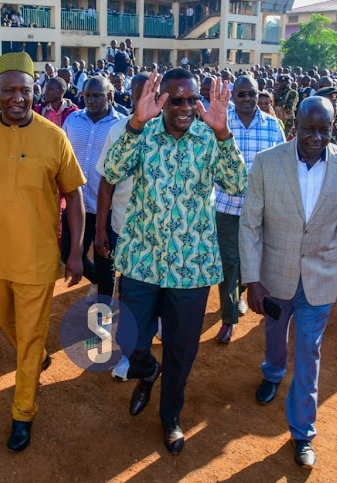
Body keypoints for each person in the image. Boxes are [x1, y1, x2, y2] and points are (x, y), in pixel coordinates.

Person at [104, 68, 247, 455]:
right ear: (162, 99)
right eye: (177, 99)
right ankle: (148, 372)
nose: (186, 107)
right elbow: (112, 171)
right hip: (141, 260)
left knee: (182, 350)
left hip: (192, 265)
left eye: (192, 99)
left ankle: (171, 417)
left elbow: (238, 184)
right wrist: (135, 122)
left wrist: (222, 133)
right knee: (129, 338)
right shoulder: (142, 132)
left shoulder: (209, 137)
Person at [0, 52, 87, 452]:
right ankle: (35, 357)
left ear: (35, 93)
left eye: (25, 90)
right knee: (11, 327)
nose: (17, 98)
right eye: (8, 90)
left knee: (29, 339)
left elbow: (75, 197)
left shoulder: (54, 136)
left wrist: (75, 251)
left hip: (37, 261)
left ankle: (23, 411)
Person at [240, 96, 337, 469]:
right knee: (276, 334)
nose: (317, 137)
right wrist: (253, 279)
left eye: (324, 129)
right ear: (296, 124)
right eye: (310, 129)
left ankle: (303, 433)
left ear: (332, 127)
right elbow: (250, 223)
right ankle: (273, 372)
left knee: (310, 352)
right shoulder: (268, 162)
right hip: (276, 275)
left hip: (321, 277)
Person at [93, 72, 154, 382]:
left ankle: (150, 339)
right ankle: (130, 355)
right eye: (137, 92)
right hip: (125, 228)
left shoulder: (176, 131)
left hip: (164, 234)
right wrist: (101, 229)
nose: (143, 98)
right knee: (129, 294)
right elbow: (106, 182)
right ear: (128, 95)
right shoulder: (119, 130)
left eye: (151, 93)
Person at [215, 75, 285, 343]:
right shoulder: (221, 122)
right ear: (233, 96)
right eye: (241, 94)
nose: (247, 99)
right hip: (226, 207)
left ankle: (240, 293)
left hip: (260, 209)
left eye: (251, 94)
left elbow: (280, 166)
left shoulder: (272, 126)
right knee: (229, 263)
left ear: (259, 96)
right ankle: (229, 319)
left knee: (250, 263)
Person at [62, 76, 122, 298]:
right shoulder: (72, 121)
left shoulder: (121, 125)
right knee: (67, 252)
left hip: (106, 208)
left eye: (97, 95)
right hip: (77, 205)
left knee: (105, 260)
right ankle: (95, 279)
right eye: (87, 96)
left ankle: (103, 313)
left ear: (110, 96)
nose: (91, 100)